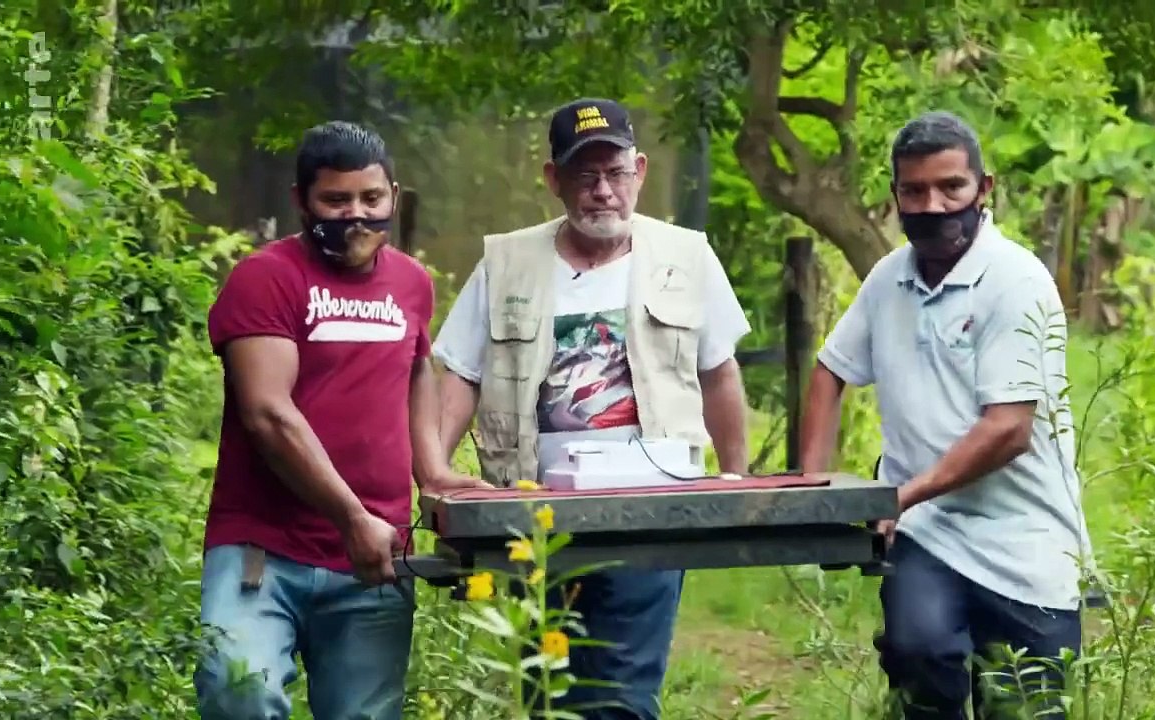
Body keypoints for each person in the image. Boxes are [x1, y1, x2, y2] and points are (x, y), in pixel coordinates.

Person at [432, 97, 751, 718]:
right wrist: (435, 479)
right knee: (546, 687)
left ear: (640, 171)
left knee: (624, 693)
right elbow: (460, 376)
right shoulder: (506, 262)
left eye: (615, 173)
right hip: (531, 511)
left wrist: (734, 485)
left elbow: (719, 373)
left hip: (652, 506)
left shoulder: (685, 256)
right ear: (554, 180)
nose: (602, 191)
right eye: (584, 176)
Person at [799, 111, 1092, 719]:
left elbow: (1008, 429)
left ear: (984, 190)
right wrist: (813, 492)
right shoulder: (889, 279)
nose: (933, 206)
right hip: (928, 533)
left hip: (1027, 542)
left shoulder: (1016, 281)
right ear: (896, 196)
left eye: (951, 187)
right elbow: (831, 371)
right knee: (918, 660)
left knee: (1024, 708)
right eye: (915, 191)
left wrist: (900, 496)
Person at [193, 120, 485, 720]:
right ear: (301, 200)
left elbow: (415, 369)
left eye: (371, 199)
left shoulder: (412, 282)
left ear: (393, 198)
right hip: (263, 551)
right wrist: (352, 516)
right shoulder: (267, 278)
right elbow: (268, 414)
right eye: (336, 200)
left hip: (375, 557)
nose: (357, 215)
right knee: (238, 688)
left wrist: (432, 472)